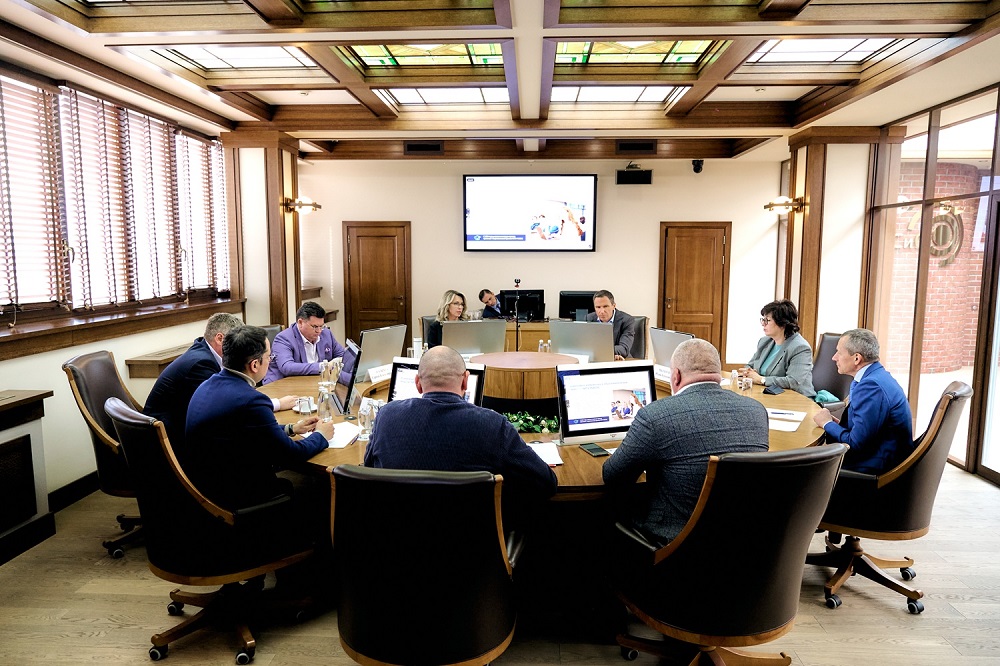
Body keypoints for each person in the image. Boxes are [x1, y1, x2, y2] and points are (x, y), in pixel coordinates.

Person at [602, 338, 769, 545]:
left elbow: (613, 476)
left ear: (676, 376)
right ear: (718, 372)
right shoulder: (756, 411)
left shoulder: (655, 416)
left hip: (677, 545)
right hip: (745, 540)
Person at [364, 345, 557, 514]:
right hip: (472, 543)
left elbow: (369, 470)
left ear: (418, 383)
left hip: (396, 540)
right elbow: (546, 483)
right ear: (465, 381)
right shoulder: (492, 425)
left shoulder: (386, 416)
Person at [185, 326, 335, 511]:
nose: (270, 361)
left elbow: (245, 430)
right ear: (255, 365)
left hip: (205, 487)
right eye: (269, 357)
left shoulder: (208, 384)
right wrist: (321, 435)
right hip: (234, 496)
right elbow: (291, 455)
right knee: (314, 493)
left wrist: (290, 429)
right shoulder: (251, 400)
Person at [143, 313, 298, 448]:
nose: (240, 344)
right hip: (170, 441)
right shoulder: (202, 364)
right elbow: (228, 405)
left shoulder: (203, 352)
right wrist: (276, 404)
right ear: (219, 338)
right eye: (234, 339)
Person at [812, 328, 913, 474]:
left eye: (839, 352)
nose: (834, 357)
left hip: (876, 468)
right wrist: (837, 426)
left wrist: (827, 423)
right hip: (876, 456)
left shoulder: (871, 387)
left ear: (856, 358)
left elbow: (855, 444)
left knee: (800, 468)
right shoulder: (876, 376)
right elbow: (866, 430)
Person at [740, 299, 816, 398]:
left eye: (767, 320)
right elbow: (750, 365)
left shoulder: (800, 348)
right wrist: (748, 372)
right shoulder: (764, 341)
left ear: (782, 323)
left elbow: (793, 381)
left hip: (796, 399)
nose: (763, 323)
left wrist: (761, 379)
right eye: (763, 319)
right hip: (767, 395)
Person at [263, 301, 345, 384]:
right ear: (300, 323)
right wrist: (323, 366)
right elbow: (287, 367)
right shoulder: (284, 338)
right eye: (315, 326)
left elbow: (342, 356)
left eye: (321, 326)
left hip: (315, 384)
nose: (319, 331)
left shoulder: (326, 334)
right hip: (282, 385)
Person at [586, 289, 636, 360]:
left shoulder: (627, 320)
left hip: (620, 360)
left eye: (605, 306)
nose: (602, 311)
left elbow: (624, 348)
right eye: (598, 307)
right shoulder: (589, 318)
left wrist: (601, 351)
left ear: (613, 306)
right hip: (595, 360)